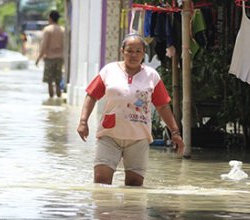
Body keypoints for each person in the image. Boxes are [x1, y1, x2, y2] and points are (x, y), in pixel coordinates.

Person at [76, 34, 184, 187]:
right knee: (101, 182)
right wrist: (83, 122)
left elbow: (162, 106)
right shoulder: (109, 70)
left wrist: (175, 132)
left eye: (138, 51)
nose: (133, 55)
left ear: (144, 53)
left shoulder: (151, 76)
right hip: (109, 134)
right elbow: (91, 95)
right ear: (122, 51)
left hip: (138, 137)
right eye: (129, 51)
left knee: (134, 186)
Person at [35, 10, 65, 98]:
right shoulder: (62, 30)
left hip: (49, 58)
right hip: (60, 58)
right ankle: (59, 98)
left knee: (49, 81)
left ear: (50, 18)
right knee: (58, 80)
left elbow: (44, 45)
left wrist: (38, 58)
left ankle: (51, 99)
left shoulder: (47, 30)